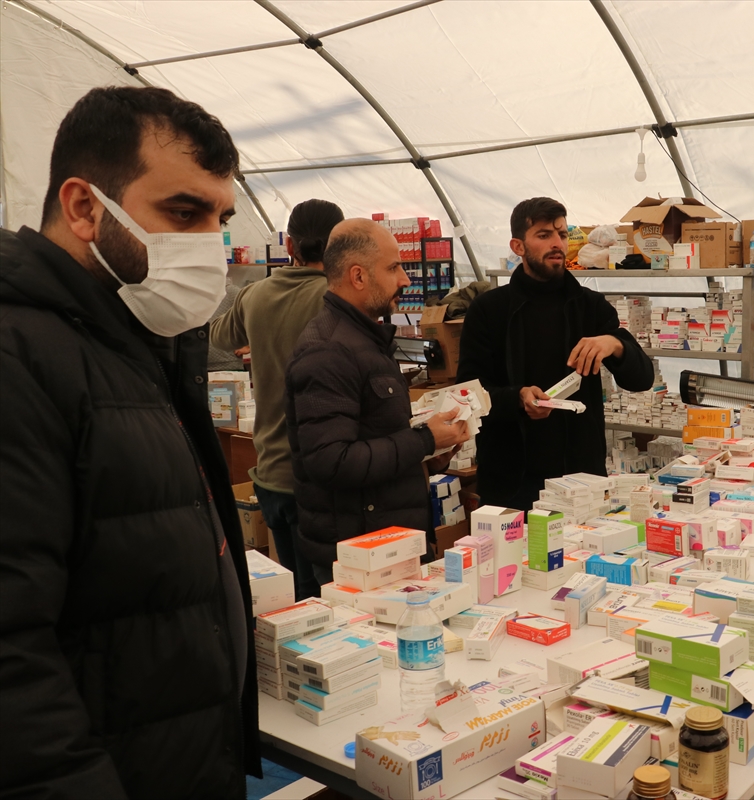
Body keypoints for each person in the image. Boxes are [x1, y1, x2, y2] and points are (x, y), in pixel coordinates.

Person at [0, 86, 258, 798]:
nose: (211, 242)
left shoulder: (132, 341)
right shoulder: (20, 357)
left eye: (220, 218)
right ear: (84, 208)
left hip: (179, 755)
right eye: (183, 212)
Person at [285, 219, 469, 582]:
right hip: (359, 557)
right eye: (393, 267)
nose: (405, 279)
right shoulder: (329, 350)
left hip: (387, 544)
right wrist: (423, 440)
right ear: (358, 277)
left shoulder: (366, 341)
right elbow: (330, 461)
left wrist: (429, 457)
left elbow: (374, 437)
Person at [457, 197, 655, 510]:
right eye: (544, 234)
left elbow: (643, 378)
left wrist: (614, 344)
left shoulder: (590, 307)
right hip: (512, 484)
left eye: (562, 234)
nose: (557, 243)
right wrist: (517, 398)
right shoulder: (489, 310)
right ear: (518, 246)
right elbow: (467, 392)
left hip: (581, 483)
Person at [211, 199, 344, 599]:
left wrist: (262, 339)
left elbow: (218, 337)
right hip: (322, 474)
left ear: (290, 245)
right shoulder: (337, 299)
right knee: (335, 599)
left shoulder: (255, 295)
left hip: (270, 470)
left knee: (293, 599)